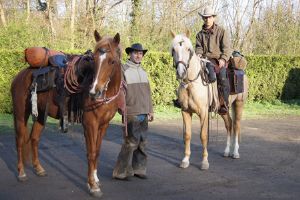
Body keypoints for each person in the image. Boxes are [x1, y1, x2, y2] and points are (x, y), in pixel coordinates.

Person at [112, 43, 154, 180]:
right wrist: (122, 109)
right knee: (130, 143)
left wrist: (150, 110)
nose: (138, 55)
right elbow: (119, 92)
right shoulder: (124, 70)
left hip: (144, 112)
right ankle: (120, 172)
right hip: (131, 112)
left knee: (142, 142)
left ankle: (139, 169)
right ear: (130, 54)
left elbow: (148, 93)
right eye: (135, 53)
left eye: (140, 53)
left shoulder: (143, 72)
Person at [195, 6, 232, 114]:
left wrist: (223, 59)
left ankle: (223, 104)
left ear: (213, 18)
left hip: (219, 61)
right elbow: (198, 47)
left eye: (209, 17)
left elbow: (227, 48)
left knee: (223, 78)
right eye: (205, 17)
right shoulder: (199, 35)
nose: (207, 19)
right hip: (205, 60)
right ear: (203, 18)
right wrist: (198, 54)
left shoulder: (222, 31)